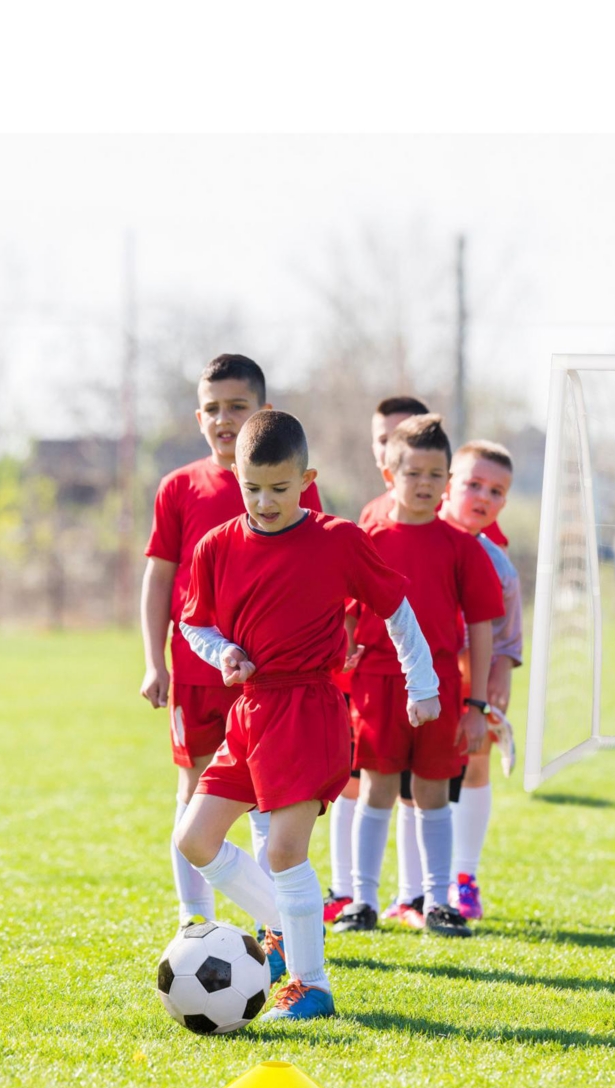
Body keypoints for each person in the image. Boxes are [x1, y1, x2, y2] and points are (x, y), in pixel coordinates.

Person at [175, 410, 440, 1020]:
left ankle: (311, 985)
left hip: (309, 709)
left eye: (279, 488)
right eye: (252, 488)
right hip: (251, 710)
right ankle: (287, 927)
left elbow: (397, 609)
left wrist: (421, 684)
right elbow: (193, 623)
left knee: (284, 853)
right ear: (235, 477)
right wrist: (224, 652)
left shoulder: (337, 540)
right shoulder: (216, 546)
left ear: (306, 479)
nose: (265, 502)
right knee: (194, 839)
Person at [139, 354, 323, 945]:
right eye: (213, 409)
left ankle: (276, 926)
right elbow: (159, 578)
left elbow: (321, 571)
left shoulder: (293, 489)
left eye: (237, 406)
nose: (224, 419)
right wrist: (154, 660)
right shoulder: (179, 487)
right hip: (197, 673)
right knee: (194, 791)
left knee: (272, 798)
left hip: (272, 680)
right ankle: (195, 919)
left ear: (263, 412)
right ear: (199, 417)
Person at [334, 414, 504, 938]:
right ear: (390, 474)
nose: (425, 484)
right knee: (376, 789)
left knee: (432, 794)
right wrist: (345, 649)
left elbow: (481, 628)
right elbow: (344, 610)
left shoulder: (461, 545)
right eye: (413, 473)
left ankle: (436, 901)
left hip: (442, 687)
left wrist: (476, 705)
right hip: (377, 683)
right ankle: (362, 901)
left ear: (447, 480)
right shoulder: (367, 538)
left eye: (436, 475)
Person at [325, 395, 432, 926]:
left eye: (400, 436)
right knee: (356, 780)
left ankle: (415, 895)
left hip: (426, 676)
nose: (389, 446)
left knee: (418, 788)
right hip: (369, 672)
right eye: (382, 439)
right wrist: (346, 636)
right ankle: (346, 890)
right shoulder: (370, 517)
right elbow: (351, 590)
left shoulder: (442, 519)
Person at [438, 440, 524, 920]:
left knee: (474, 765)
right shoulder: (417, 540)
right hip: (417, 680)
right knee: (414, 782)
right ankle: (414, 889)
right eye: (474, 484)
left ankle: (464, 878)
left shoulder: (499, 564)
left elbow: (507, 636)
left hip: (471, 683)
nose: (484, 497)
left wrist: (500, 675)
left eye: (496, 491)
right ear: (449, 484)